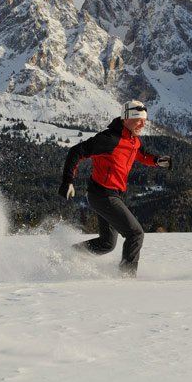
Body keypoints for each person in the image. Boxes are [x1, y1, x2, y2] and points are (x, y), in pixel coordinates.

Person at [59, 100, 172, 277]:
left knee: (107, 244)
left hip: (112, 195)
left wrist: (156, 161)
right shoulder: (109, 139)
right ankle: (126, 278)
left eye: (144, 120)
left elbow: (140, 154)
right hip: (102, 195)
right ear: (125, 118)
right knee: (135, 234)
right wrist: (68, 181)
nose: (142, 124)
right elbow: (77, 151)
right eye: (138, 119)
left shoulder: (133, 140)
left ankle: (66, 256)